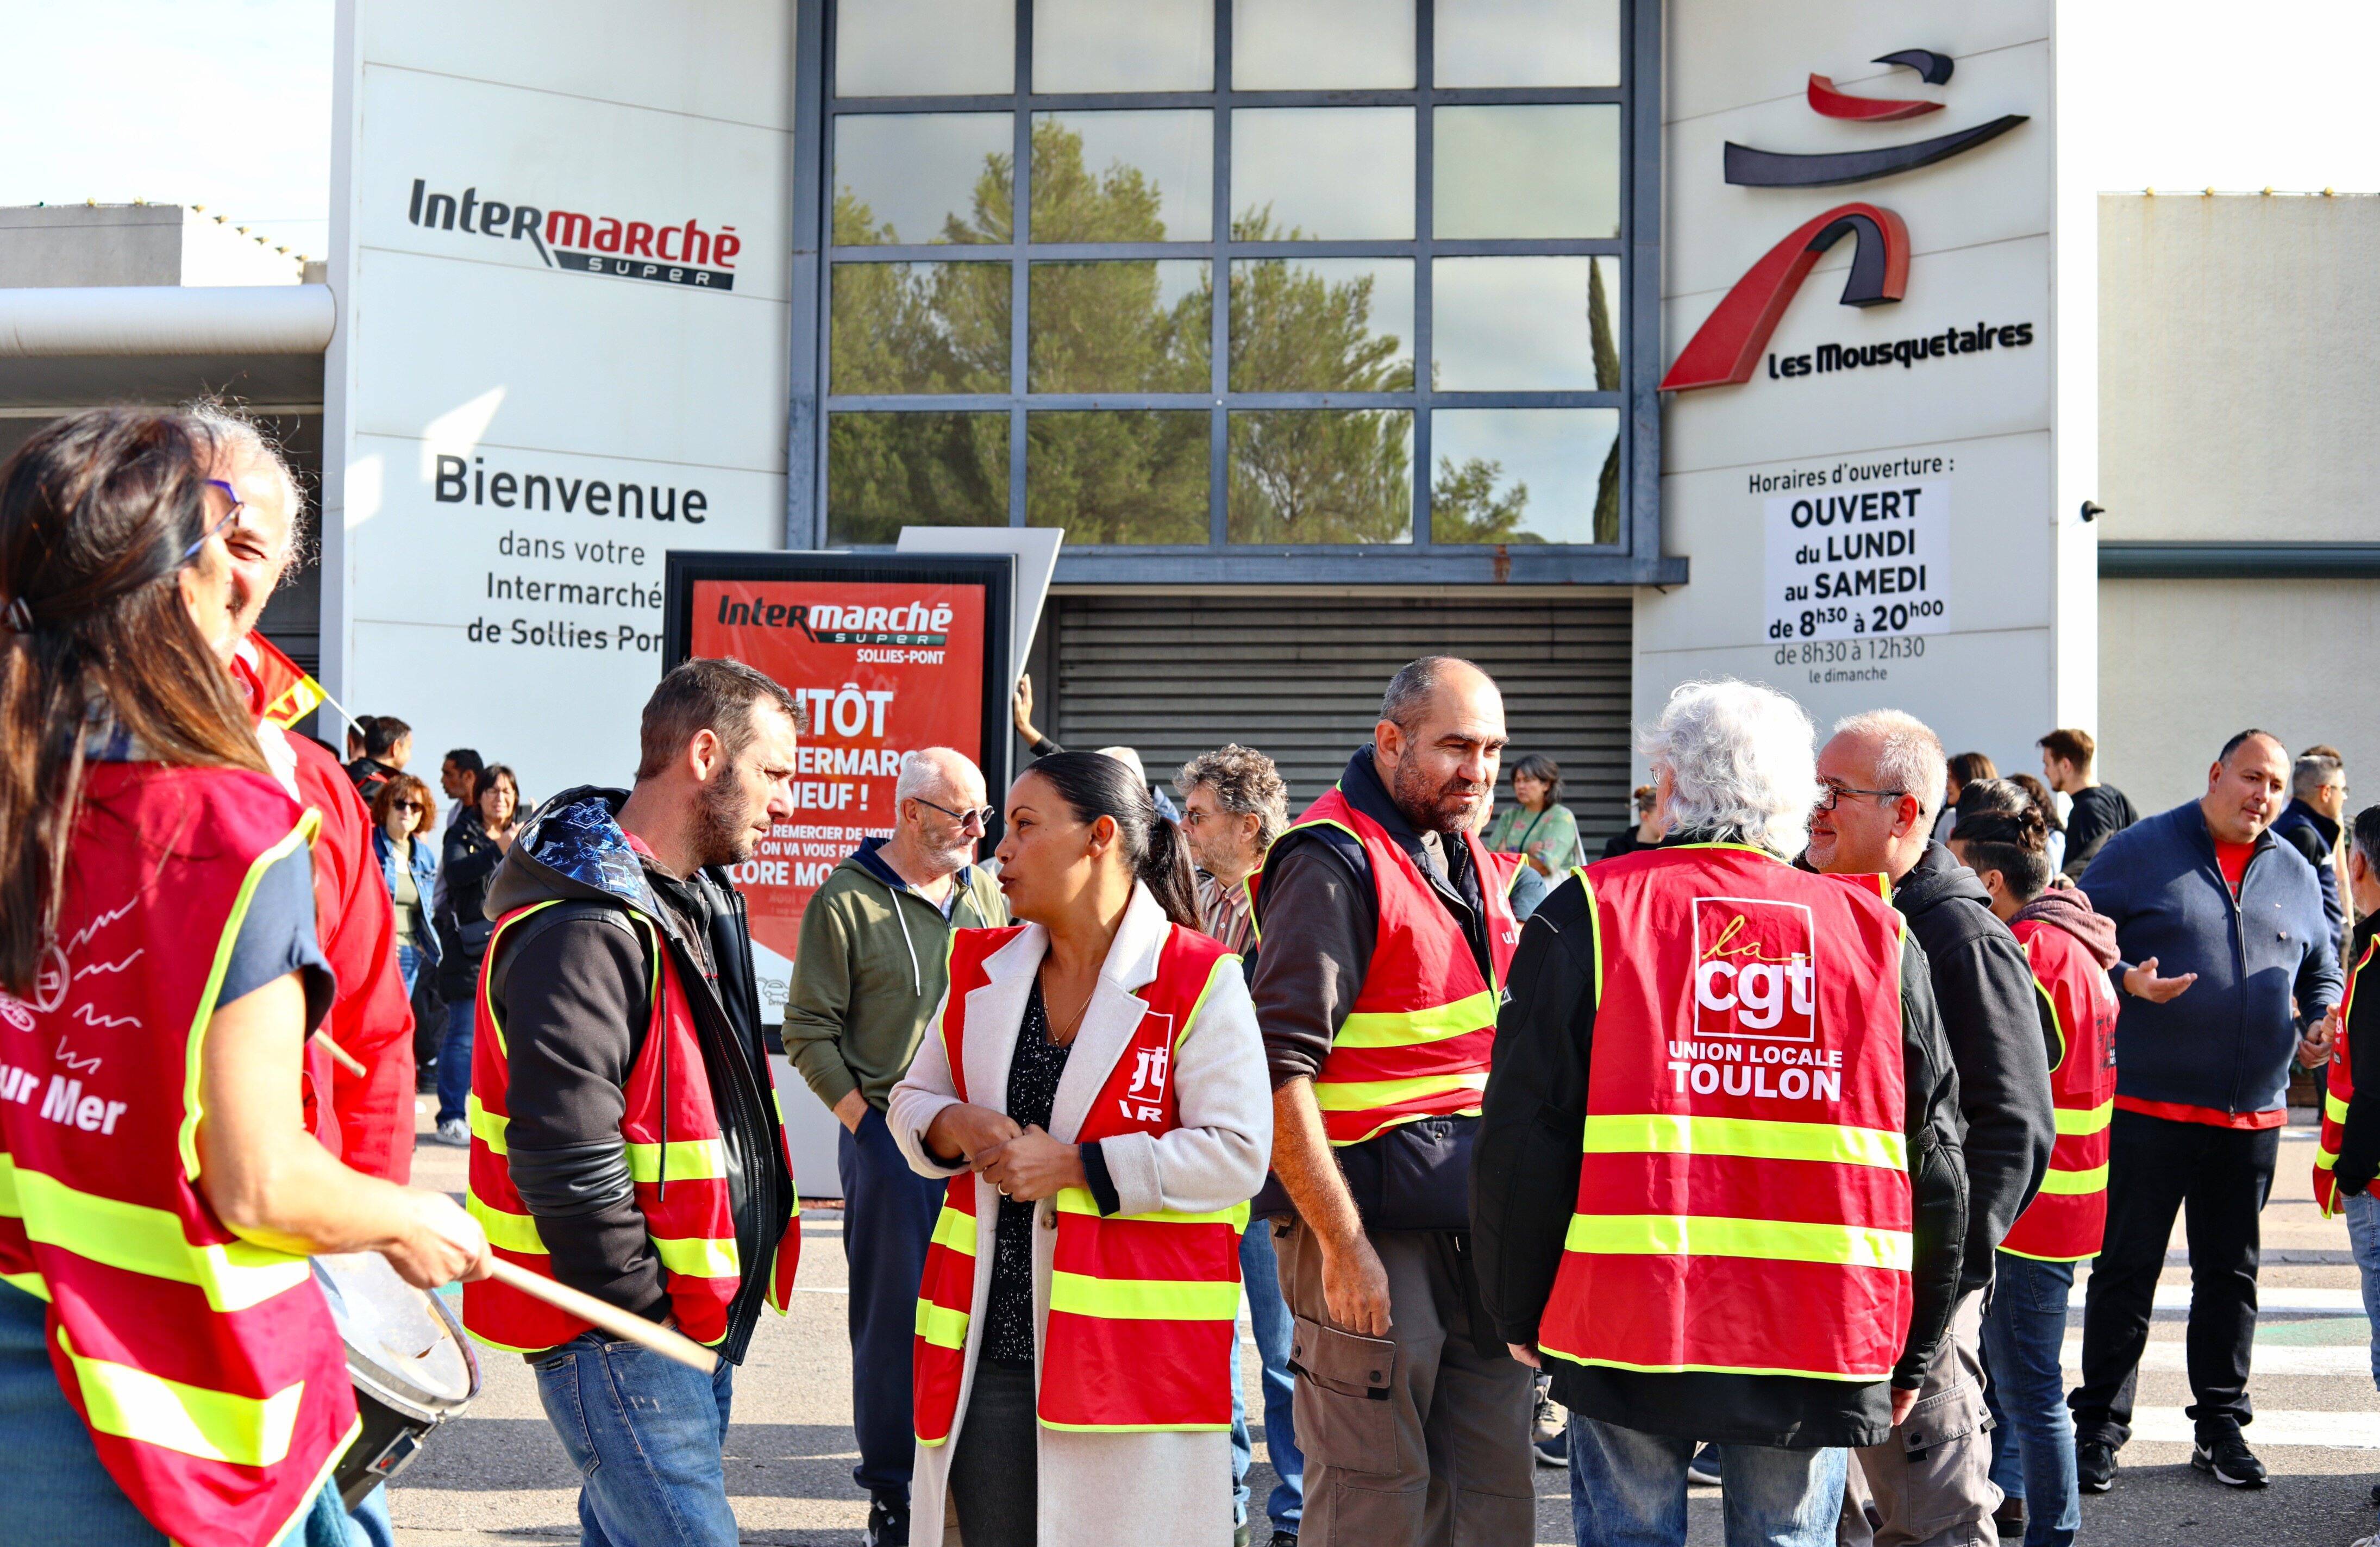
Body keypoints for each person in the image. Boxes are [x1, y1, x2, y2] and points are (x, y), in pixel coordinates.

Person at [0, 406, 489, 1546]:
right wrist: (401, 1217)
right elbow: (262, 1182)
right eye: (214, 535)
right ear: (186, 587)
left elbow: (366, 1041)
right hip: (166, 1415)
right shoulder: (231, 822)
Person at [1473, 679, 1967, 1547]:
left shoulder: (1589, 912)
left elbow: (1523, 1138)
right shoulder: (1877, 936)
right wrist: (1918, 1344)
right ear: (1796, 798)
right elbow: (1936, 1160)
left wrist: (1517, 1309)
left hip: (1628, 1313)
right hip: (1817, 1322)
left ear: (1669, 784)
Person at [888, 751, 1272, 1547]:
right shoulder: (980, 968)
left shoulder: (1198, 977)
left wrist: (1078, 1166)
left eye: (1026, 827)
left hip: (1132, 1362)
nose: (1001, 849)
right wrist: (956, 1121)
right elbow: (912, 1100)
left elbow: (1239, 1151)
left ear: (1101, 836)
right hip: (990, 1349)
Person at [461, 657, 804, 1547]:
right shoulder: (585, 923)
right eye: (773, 772)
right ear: (703, 755)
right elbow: (565, 1148)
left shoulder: (682, 899)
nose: (786, 800)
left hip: (680, 1319)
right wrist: (643, 1313)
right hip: (621, 1327)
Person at [1244, 656, 1535, 1547]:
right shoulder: (1331, 863)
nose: (1479, 769)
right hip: (1373, 1238)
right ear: (1390, 741)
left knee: (1491, 1505)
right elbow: (1275, 1069)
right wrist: (1342, 1243)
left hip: (1477, 1242)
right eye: (1456, 746)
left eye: (1491, 748)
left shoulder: (1469, 859)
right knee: (1372, 1507)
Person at [2068, 728, 2343, 1492]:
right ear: (2216, 773)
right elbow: (2071, 928)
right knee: (2126, 1270)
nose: (2264, 795)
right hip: (2149, 1111)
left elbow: (2321, 966)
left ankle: (2220, 1426)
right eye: (2252, 777)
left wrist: (2318, 1020)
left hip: (2250, 1119)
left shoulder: (2295, 867)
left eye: (2278, 786)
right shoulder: (2140, 847)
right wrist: (2125, 975)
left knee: (2231, 1277)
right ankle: (2099, 1428)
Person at [1806, 711, 2054, 1547]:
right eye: (1817, 787)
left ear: (1906, 812)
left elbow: (2015, 1124)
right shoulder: (1825, 908)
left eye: (1838, 792)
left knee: (1935, 1521)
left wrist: (1944, 1278)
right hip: (1824, 1289)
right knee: (1822, 1518)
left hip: (1919, 1296)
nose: (1817, 807)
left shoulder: (1957, 932)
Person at [782, 747, 1006, 1547]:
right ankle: (892, 1489)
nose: (980, 830)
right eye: (963, 814)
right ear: (911, 812)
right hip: (886, 1141)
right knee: (893, 1321)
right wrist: (866, 1129)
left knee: (983, 1313)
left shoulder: (984, 890)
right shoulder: (845, 902)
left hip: (978, 1142)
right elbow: (808, 1029)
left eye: (984, 813)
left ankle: (969, 1477)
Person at [196, 402, 419, 1186]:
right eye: (192, 530)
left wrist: (359, 1241)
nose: (216, 565)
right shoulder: (36, 743)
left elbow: (372, 1038)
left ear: (283, 571)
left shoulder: (316, 784)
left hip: (286, 1250)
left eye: (248, 544)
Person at [1946, 806, 2121, 1547]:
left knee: (2030, 1386)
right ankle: (2024, 1504)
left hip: (2032, 1206)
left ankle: (2054, 1530)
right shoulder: (2078, 943)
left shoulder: (2024, 952)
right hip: (2069, 1199)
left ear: (1991, 879)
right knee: (2028, 1379)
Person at [1177, 743, 1304, 1547]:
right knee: (1212, 1336)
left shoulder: (1290, 900)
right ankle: (1221, 1502)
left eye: (1197, 816)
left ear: (1247, 825)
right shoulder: (1202, 897)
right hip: (1204, 1152)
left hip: (1272, 1161)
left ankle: (1294, 1512)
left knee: (1285, 1348)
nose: (1183, 830)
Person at [430, 763, 520, 1145]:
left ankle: (504, 1118)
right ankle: (450, 1116)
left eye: (506, 791)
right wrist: (494, 851)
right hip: (468, 950)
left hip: (512, 947)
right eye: (492, 791)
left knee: (511, 1038)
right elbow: (455, 872)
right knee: (463, 1035)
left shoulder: (523, 835)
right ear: (479, 796)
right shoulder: (461, 832)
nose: (500, 798)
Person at [372, 771, 443, 998]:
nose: (408, 811)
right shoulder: (370, 846)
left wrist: (420, 947)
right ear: (386, 807)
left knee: (397, 1026)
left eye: (416, 807)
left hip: (410, 953)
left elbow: (427, 907)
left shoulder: (425, 856)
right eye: (400, 804)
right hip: (377, 951)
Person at [2038, 729, 2137, 885]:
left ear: (2065, 765)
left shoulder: (2089, 810)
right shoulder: (2115, 796)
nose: (2045, 772)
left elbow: (2097, 872)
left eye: (2047, 764)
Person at [2274, 750, 2348, 951]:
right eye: (2342, 790)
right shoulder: (2301, 835)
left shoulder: (2310, 830)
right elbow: (2287, 911)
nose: (2344, 797)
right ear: (2325, 792)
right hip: (2313, 966)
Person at [1485, 753, 1583, 878]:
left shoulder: (1561, 817)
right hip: (1509, 892)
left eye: (1527, 780)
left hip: (1550, 892)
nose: (1520, 786)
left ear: (1546, 785)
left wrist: (1504, 853)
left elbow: (1543, 867)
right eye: (1517, 781)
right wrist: (1526, 855)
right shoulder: (1510, 816)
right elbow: (1489, 857)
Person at [348, 713, 412, 802]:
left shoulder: (345, 773)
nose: (410, 757)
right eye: (409, 748)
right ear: (396, 747)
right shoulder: (382, 788)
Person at [1601, 783, 1664, 859]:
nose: (1670, 820)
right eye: (1663, 815)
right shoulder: (1618, 848)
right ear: (1645, 816)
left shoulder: (1672, 847)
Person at [440, 746, 484, 831]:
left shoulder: (492, 811)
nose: (443, 780)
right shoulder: (453, 814)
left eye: (448, 774)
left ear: (469, 776)